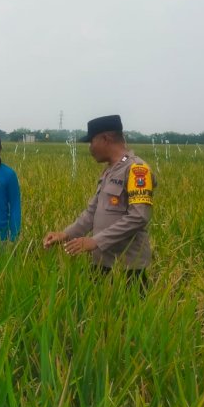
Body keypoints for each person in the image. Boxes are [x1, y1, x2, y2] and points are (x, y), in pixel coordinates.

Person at [43, 115, 155, 286]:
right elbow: (91, 212)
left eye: (91, 142)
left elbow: (139, 217)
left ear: (105, 138)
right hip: (102, 263)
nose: (90, 148)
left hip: (127, 268)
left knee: (128, 311)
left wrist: (96, 241)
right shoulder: (109, 171)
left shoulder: (137, 170)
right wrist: (65, 234)